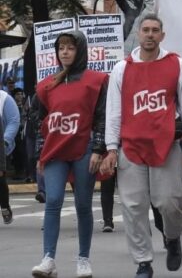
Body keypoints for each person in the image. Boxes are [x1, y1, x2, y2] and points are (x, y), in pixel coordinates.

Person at [100, 14, 182, 278]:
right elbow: (114, 112)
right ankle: (143, 262)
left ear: (162, 36)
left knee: (169, 203)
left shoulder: (176, 64)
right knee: (133, 207)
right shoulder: (122, 68)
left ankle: (173, 237)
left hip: (166, 145)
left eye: (155, 30)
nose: (150, 35)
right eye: (145, 30)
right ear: (139, 33)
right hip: (130, 147)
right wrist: (111, 148)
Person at [28, 30, 108, 278]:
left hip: (84, 149)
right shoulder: (46, 85)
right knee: (52, 202)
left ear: (80, 50)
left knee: (83, 205)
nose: (65, 52)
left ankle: (83, 259)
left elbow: (101, 117)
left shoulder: (96, 80)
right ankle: (48, 259)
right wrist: (42, 153)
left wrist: (98, 150)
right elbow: (38, 120)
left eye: (70, 47)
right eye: (61, 48)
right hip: (56, 151)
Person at [0, 85, 21, 225]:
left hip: (1, 146)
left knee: (0, 180)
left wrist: (5, 141)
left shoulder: (4, 99)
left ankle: (4, 206)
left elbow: (14, 121)